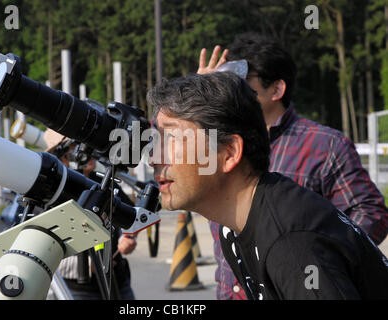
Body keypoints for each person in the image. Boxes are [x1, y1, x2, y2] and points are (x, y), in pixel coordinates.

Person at [147, 71, 388, 299]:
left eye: (172, 140)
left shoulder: (292, 244)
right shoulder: (233, 226)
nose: (154, 158)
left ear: (229, 153)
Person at [44, 129, 137, 300]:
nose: (89, 152)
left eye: (89, 146)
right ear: (62, 156)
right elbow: (46, 243)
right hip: (78, 289)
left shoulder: (102, 180)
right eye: (78, 147)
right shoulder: (51, 193)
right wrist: (88, 265)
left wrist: (129, 238)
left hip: (117, 281)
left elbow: (132, 216)